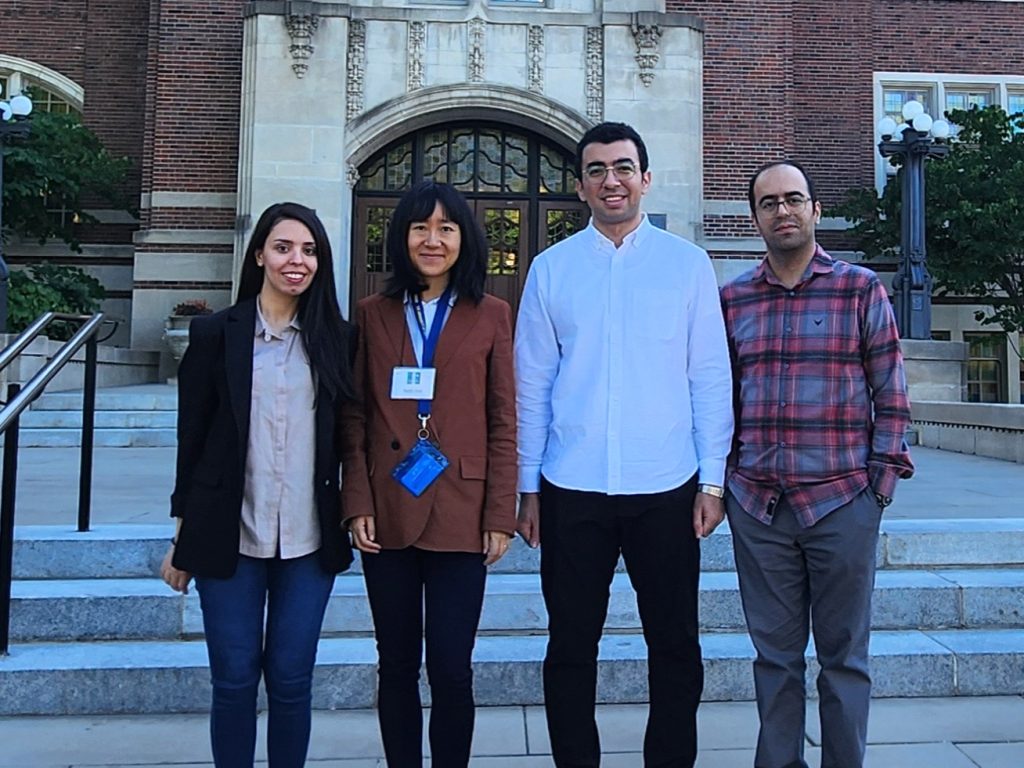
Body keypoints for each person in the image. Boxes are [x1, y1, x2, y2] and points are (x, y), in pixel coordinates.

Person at [515, 121, 734, 767]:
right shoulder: (552, 269)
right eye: (596, 170)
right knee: (570, 647)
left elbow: (710, 376)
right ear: (580, 185)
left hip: (666, 486)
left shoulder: (687, 265)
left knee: (674, 644)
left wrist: (713, 481)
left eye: (622, 167)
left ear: (645, 177)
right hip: (571, 486)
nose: (611, 180)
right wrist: (527, 485)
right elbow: (533, 382)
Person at [720, 160, 914, 768]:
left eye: (794, 199)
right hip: (759, 508)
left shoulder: (859, 289)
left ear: (815, 211)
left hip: (841, 502)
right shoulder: (732, 300)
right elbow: (717, 398)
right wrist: (725, 482)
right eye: (770, 202)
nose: (783, 211)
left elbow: (893, 395)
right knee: (774, 659)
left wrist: (876, 490)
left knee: (843, 658)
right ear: (755, 217)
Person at [159, 202, 355, 768]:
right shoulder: (216, 333)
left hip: (308, 540)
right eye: (284, 247)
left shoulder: (337, 339)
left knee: (292, 680)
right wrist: (182, 534)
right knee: (235, 680)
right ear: (259, 255)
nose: (297, 261)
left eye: (310, 250)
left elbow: (350, 438)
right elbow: (191, 441)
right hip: (230, 537)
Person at [340, 180, 517, 767]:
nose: (432, 240)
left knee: (450, 665)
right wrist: (356, 501)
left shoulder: (492, 314)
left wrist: (501, 515)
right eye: (420, 228)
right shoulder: (371, 313)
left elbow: (502, 419)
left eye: (446, 228)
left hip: (463, 511)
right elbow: (356, 414)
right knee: (394, 661)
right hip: (386, 509)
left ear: (464, 240)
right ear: (402, 238)